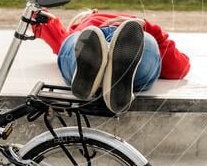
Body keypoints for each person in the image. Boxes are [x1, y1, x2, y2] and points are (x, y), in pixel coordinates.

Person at [33, 9, 191, 114]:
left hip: (98, 35)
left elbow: (47, 25)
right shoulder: (137, 24)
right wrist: (147, 27)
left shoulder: (81, 25)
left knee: (74, 44)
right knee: (145, 46)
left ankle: (93, 69)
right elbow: (179, 68)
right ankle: (117, 73)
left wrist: (38, 12)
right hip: (132, 38)